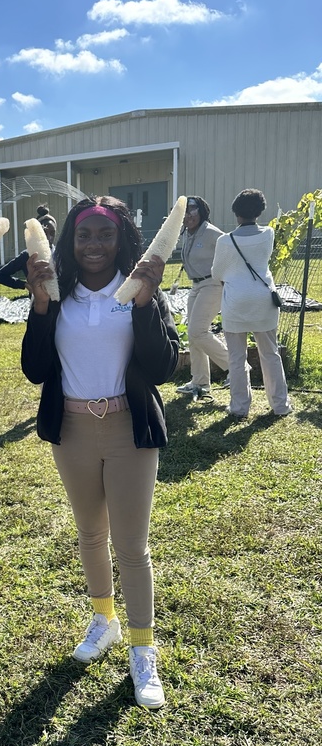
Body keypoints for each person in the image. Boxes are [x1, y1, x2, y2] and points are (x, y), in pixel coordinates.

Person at [21, 195, 179, 708]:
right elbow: (35, 368)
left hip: (127, 428)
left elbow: (161, 367)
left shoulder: (140, 289)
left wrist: (145, 301)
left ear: (121, 239)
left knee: (132, 546)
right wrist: (40, 305)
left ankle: (141, 647)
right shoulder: (57, 293)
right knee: (91, 532)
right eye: (84, 234)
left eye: (105, 234)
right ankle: (103, 618)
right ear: (70, 239)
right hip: (71, 427)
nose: (94, 244)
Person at [211, 188, 292, 420]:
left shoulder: (225, 241)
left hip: (235, 301)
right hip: (264, 300)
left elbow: (218, 273)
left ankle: (239, 407)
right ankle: (280, 405)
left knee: (237, 358)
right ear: (260, 211)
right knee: (271, 354)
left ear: (236, 212)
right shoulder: (269, 234)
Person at [176, 196, 229, 398]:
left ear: (202, 211)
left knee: (198, 331)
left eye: (192, 210)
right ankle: (199, 382)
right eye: (184, 211)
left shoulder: (212, 233)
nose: (188, 215)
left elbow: (230, 253)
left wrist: (227, 280)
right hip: (196, 285)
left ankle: (238, 368)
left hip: (213, 284)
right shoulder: (188, 233)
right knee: (193, 334)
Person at [0, 204, 57, 290]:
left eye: (52, 233)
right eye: (44, 233)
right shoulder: (28, 256)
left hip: (62, 303)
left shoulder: (60, 253)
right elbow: (0, 275)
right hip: (37, 302)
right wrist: (24, 285)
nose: (49, 238)